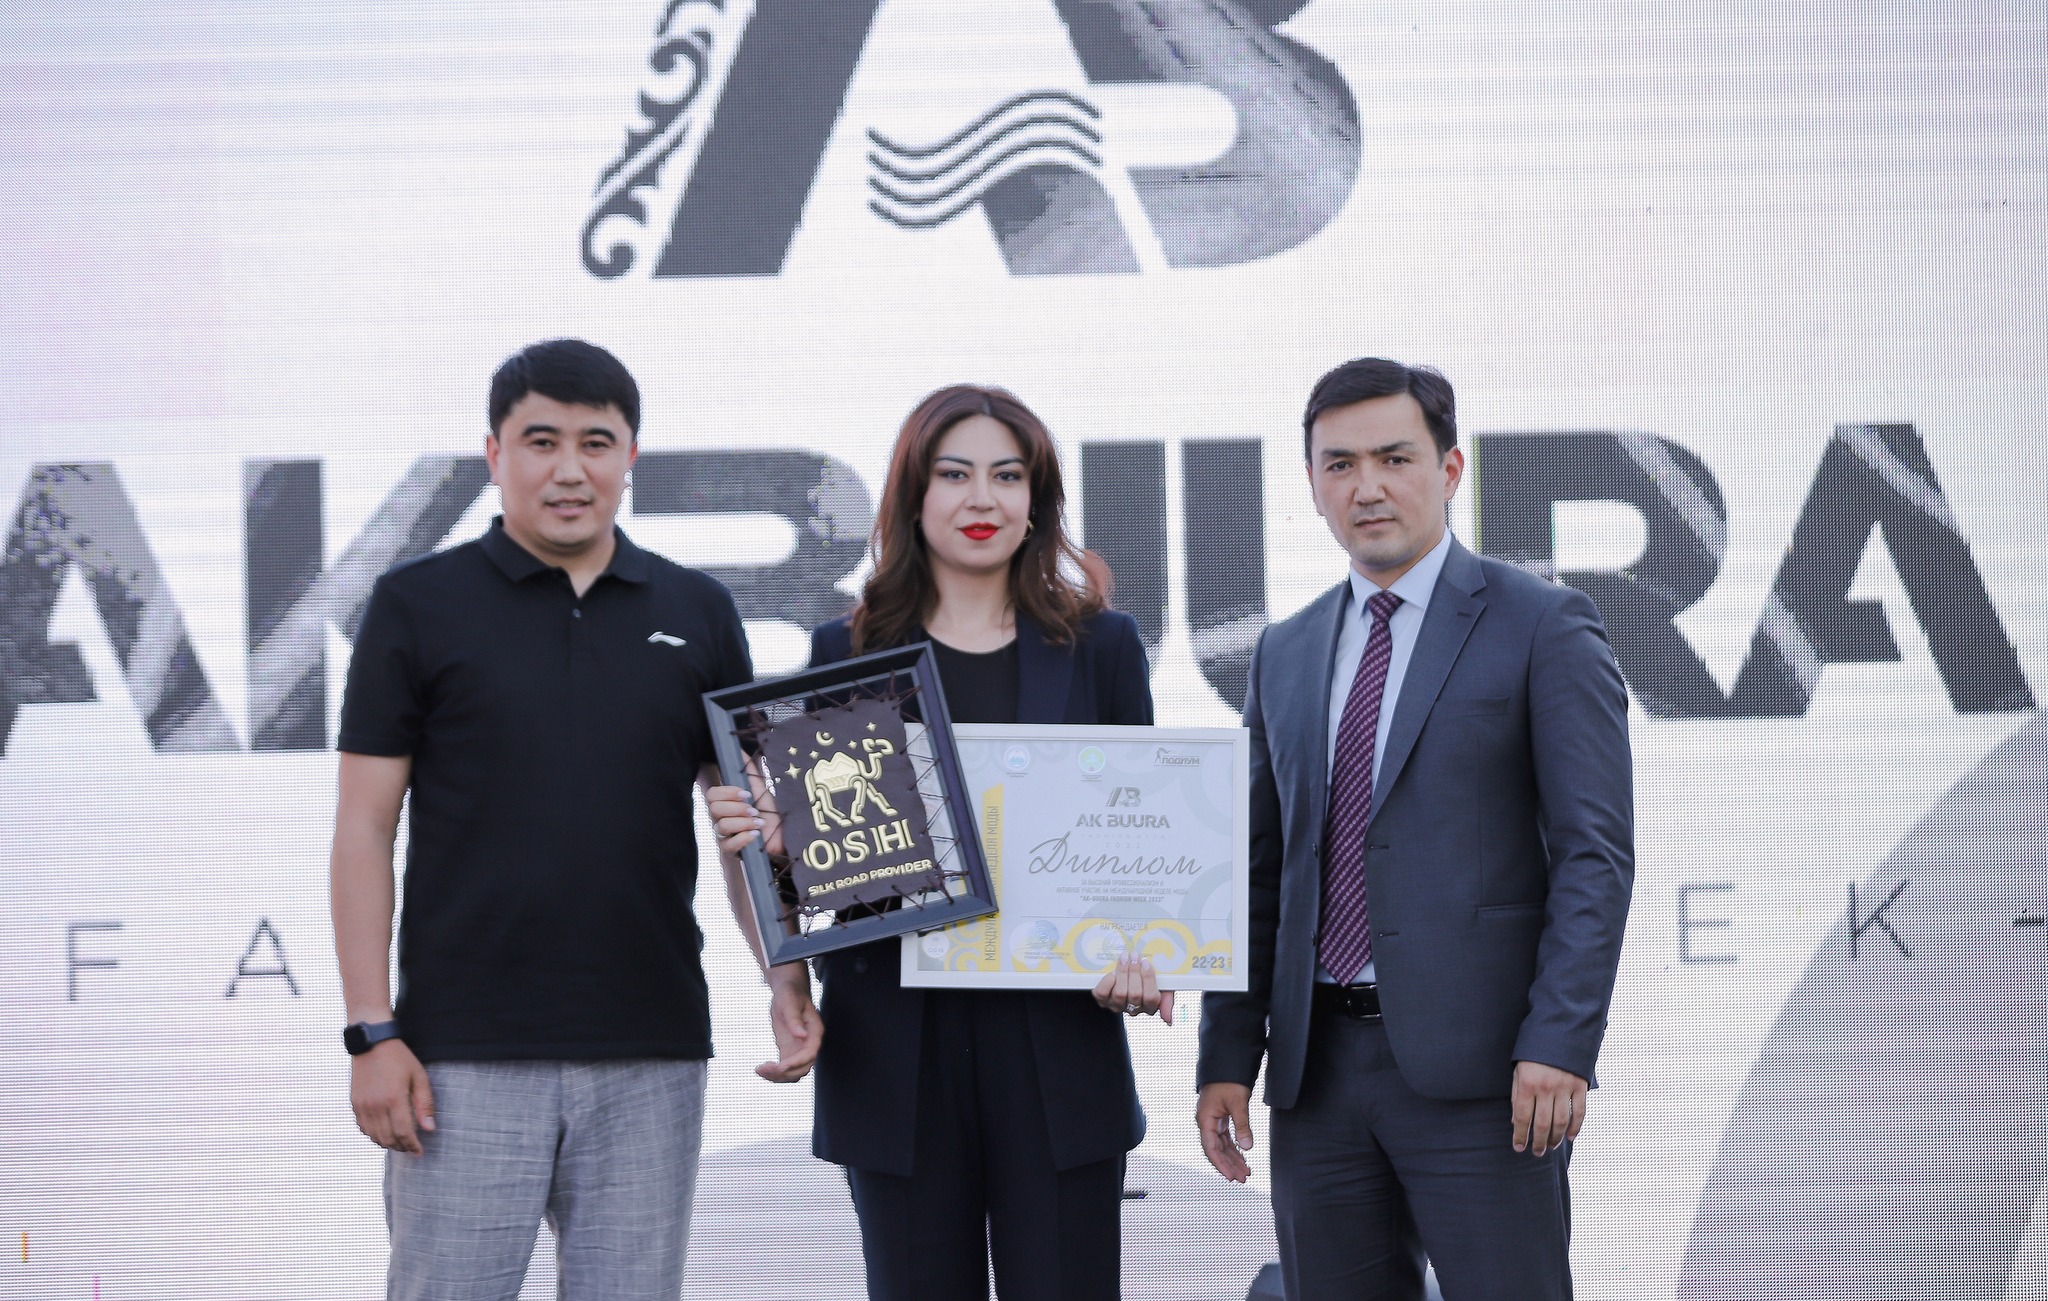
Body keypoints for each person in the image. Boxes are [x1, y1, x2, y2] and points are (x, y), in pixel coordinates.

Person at [329, 338, 818, 1301]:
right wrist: (370, 1031)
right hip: (459, 1057)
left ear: (630, 456)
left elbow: (744, 828)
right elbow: (362, 830)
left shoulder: (699, 609)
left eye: (595, 442)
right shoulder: (416, 605)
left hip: (652, 1051)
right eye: (540, 440)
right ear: (494, 454)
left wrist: (784, 972)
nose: (568, 469)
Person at [709, 384, 1164, 1301]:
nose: (981, 498)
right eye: (954, 475)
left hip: (1059, 1051)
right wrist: (772, 855)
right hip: (893, 1055)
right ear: (913, 495)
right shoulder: (842, 649)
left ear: (1037, 499)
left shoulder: (1102, 647)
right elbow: (812, 874)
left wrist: (1149, 948)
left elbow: (1144, 835)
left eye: (1008, 475)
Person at [1194, 358, 1634, 1300]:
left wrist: (1560, 1040)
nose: (1368, 486)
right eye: (1340, 464)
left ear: (1450, 468)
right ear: (1312, 483)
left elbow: (1593, 856)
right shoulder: (1285, 650)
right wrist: (1227, 1054)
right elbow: (1258, 870)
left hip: (1489, 1075)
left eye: (1395, 458)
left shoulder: (1544, 625)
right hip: (1317, 1077)